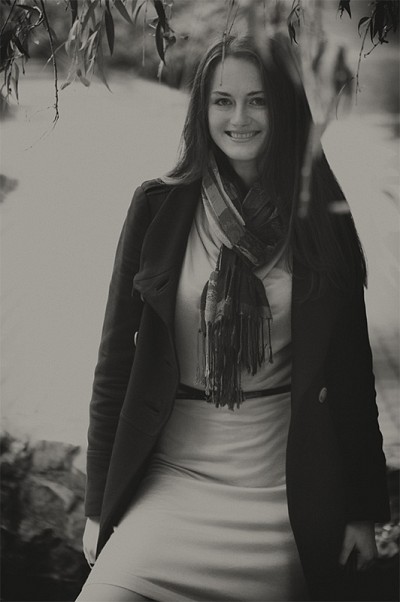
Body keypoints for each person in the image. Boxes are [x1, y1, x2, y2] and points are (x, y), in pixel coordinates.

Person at [76, 34, 390, 602]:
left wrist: (363, 509)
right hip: (172, 479)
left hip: (281, 490)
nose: (238, 118)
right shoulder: (157, 208)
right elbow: (114, 365)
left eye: (258, 101)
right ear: (203, 110)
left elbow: (351, 373)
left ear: (285, 108)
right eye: (222, 101)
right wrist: (98, 505)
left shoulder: (323, 219)